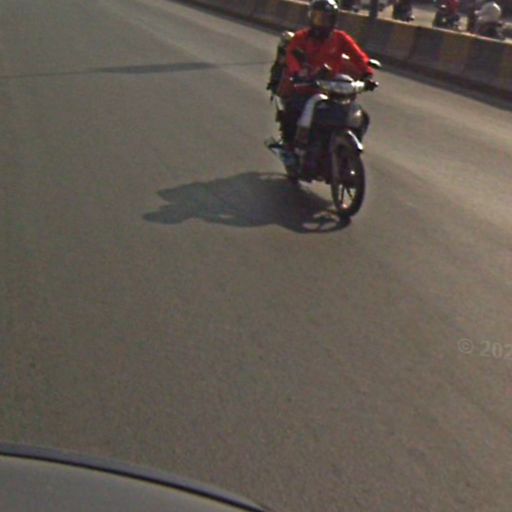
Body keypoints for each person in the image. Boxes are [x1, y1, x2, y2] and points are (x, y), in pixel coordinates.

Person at [276, 0, 375, 157]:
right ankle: (290, 147)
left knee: (361, 117)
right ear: (311, 18)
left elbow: (358, 56)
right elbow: (292, 57)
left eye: (325, 18)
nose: (321, 22)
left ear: (333, 20)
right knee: (293, 110)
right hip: (307, 86)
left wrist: (367, 73)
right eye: (317, 17)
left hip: (332, 87)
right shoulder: (301, 37)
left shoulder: (340, 38)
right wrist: (298, 73)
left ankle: (348, 150)